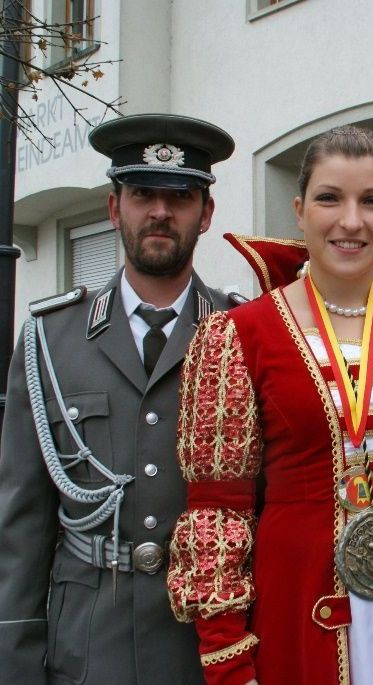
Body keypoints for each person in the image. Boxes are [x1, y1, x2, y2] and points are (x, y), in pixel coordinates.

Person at [165, 126, 373, 685]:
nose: (351, 221)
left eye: (371, 201)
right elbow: (219, 509)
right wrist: (227, 651)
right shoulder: (238, 336)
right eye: (329, 198)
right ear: (299, 210)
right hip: (299, 598)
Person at [0, 113, 236, 684]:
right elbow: (21, 524)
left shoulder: (242, 332)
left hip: (206, 648)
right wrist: (15, 662)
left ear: (205, 214)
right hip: (87, 648)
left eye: (180, 196)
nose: (160, 211)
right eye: (141, 194)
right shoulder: (49, 340)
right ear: (114, 208)